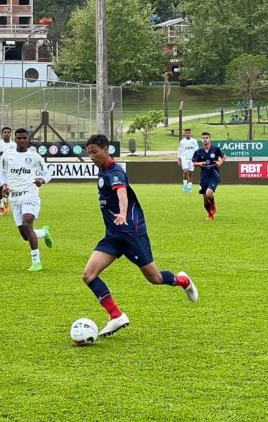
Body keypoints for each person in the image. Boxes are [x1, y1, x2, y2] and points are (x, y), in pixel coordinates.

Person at [82, 134, 198, 338]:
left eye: (94, 152)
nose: (91, 157)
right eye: (89, 153)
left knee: (155, 278)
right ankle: (116, 315)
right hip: (113, 236)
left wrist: (123, 213)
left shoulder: (115, 172)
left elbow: (122, 194)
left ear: (106, 149)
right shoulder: (102, 172)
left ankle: (183, 281)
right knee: (89, 275)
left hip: (131, 234)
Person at [0, 128, 54, 272]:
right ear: (15, 139)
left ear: (28, 139)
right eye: (19, 138)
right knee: (25, 235)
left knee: (27, 224)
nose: (22, 140)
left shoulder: (34, 156)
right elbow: (3, 174)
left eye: (24, 138)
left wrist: (42, 180)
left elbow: (48, 173)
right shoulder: (8, 155)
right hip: (15, 197)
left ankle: (36, 262)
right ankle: (44, 232)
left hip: (30, 194)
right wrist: (4, 185)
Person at [192, 131, 226, 220]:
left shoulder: (216, 149)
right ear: (201, 140)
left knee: (208, 193)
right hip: (204, 176)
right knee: (204, 198)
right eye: (203, 138)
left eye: (207, 137)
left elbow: (224, 156)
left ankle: (213, 204)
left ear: (210, 139)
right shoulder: (198, 152)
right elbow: (193, 163)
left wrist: (220, 162)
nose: (205, 139)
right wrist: (200, 163)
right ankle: (210, 214)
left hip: (214, 174)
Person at [177, 128, 199, 193]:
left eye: (188, 133)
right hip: (184, 159)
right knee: (185, 171)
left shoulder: (194, 141)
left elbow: (196, 150)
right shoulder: (182, 141)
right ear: (184, 134)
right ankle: (185, 186)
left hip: (192, 159)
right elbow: (179, 150)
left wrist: (196, 159)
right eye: (186, 133)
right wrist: (179, 159)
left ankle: (189, 187)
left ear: (191, 133)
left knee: (191, 173)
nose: (187, 134)